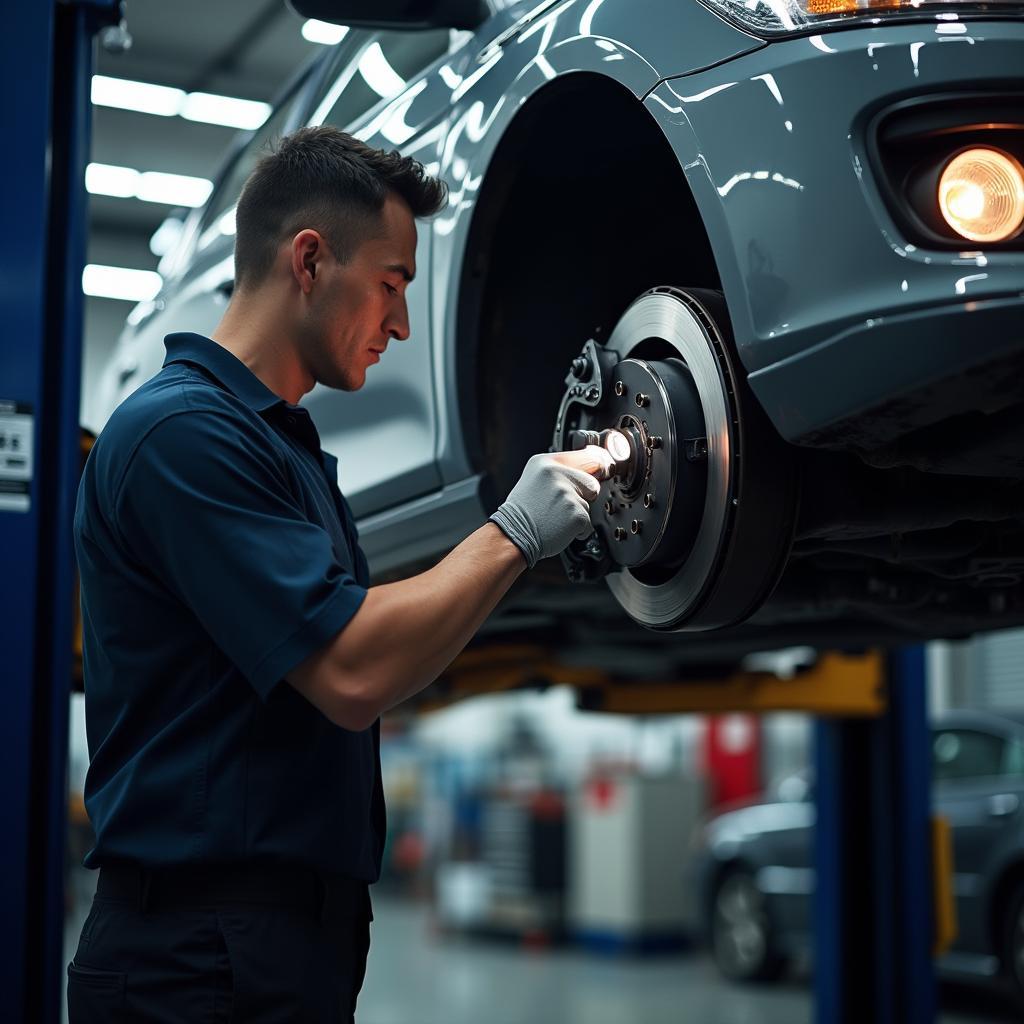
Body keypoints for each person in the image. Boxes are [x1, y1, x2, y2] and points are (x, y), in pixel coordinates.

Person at [69, 125, 612, 1022]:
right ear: (311, 261)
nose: (400, 323)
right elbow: (353, 669)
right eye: (392, 284)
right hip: (196, 959)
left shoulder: (281, 446)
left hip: (271, 946)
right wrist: (512, 530)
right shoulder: (182, 436)